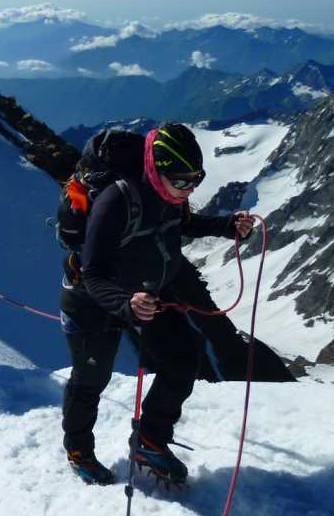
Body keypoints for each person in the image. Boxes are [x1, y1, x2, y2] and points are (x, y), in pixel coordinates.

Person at [61, 123, 255, 486]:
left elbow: (182, 224)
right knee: (91, 380)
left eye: (196, 180)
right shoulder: (116, 200)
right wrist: (125, 304)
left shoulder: (168, 197)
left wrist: (227, 226)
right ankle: (79, 451)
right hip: (94, 301)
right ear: (156, 169)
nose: (190, 189)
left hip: (147, 294)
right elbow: (93, 272)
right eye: (182, 181)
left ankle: (149, 439)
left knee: (183, 361)